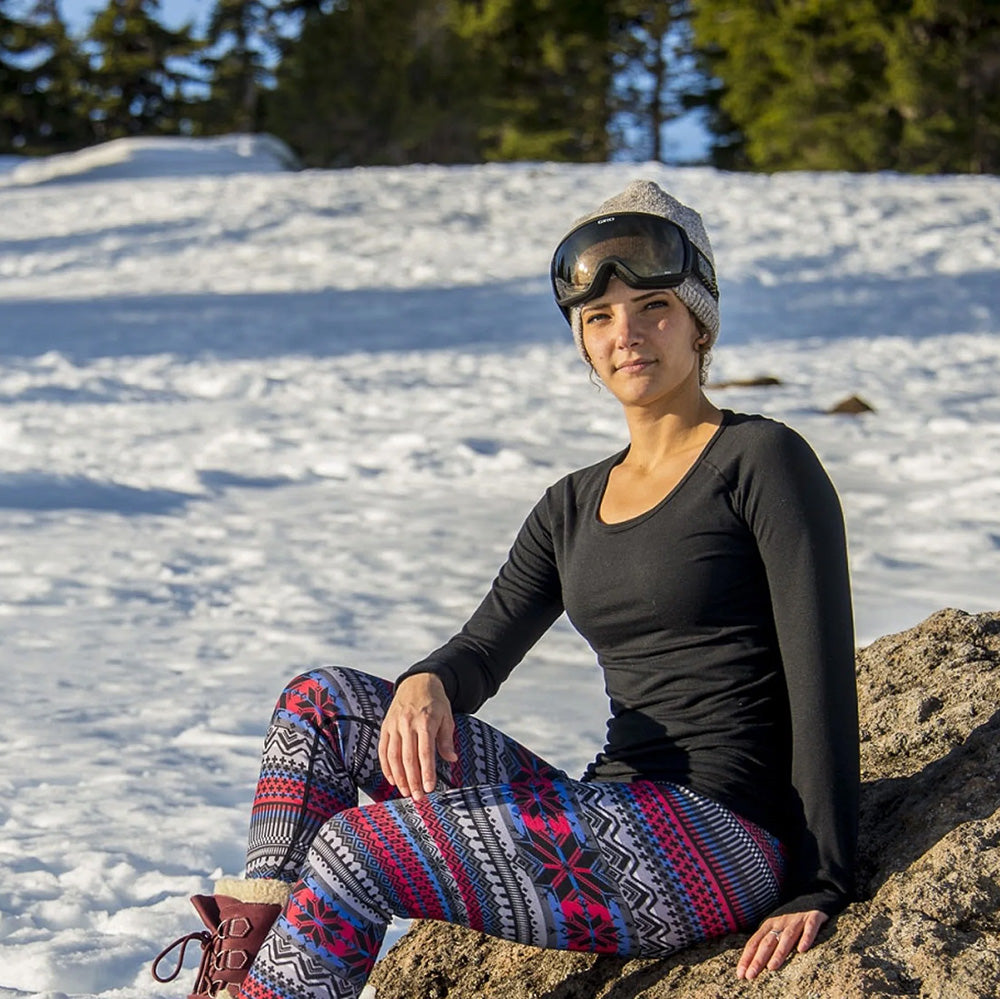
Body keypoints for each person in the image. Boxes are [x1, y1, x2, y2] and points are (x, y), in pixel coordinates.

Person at [153, 179, 859, 999]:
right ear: (582, 340)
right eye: (599, 317)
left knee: (360, 844)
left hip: (720, 837)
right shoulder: (572, 504)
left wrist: (822, 879)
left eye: (653, 308)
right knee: (320, 705)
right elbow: (483, 649)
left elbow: (821, 672)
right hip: (608, 809)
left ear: (699, 321)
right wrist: (428, 680)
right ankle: (244, 972)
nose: (626, 335)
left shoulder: (761, 460)